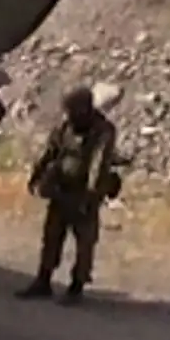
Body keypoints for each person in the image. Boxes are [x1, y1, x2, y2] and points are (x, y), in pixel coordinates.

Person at [17, 85, 120, 305]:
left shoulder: (103, 131)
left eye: (74, 110)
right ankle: (43, 280)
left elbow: (98, 165)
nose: (70, 115)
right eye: (68, 111)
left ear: (85, 108)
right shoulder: (66, 127)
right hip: (61, 190)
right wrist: (37, 176)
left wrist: (91, 197)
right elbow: (51, 152)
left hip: (84, 193)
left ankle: (76, 287)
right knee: (52, 236)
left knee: (84, 243)